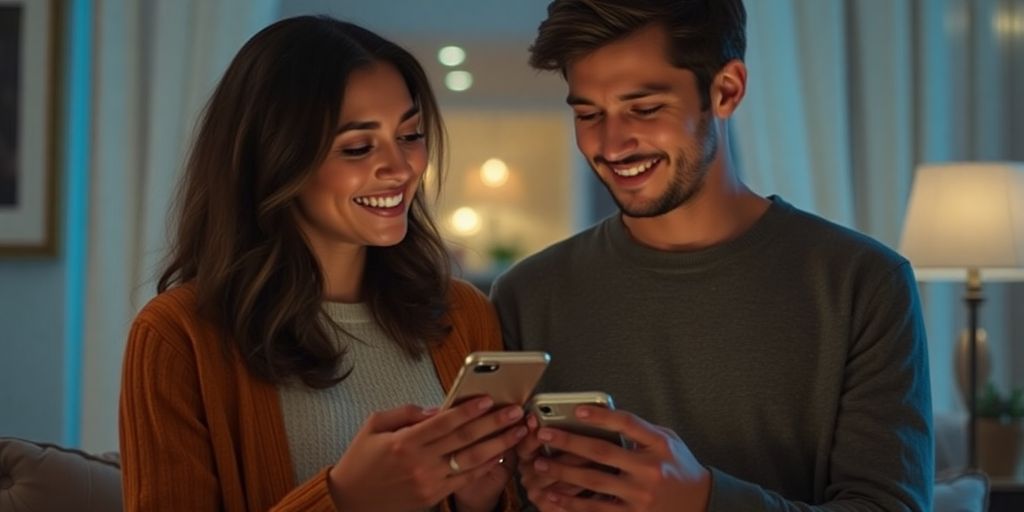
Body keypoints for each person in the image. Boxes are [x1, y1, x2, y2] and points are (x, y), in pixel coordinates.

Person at [491, 1, 933, 510]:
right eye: (589, 114)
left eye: (646, 108)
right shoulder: (526, 294)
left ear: (726, 90)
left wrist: (703, 500)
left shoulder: (863, 283)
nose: (611, 144)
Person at [119, 16, 525, 511]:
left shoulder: (462, 314)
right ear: (274, 159)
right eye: (357, 147)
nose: (401, 169)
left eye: (410, 135)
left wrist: (476, 502)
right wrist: (346, 500)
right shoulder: (176, 337)